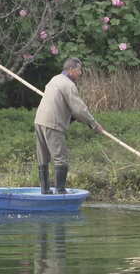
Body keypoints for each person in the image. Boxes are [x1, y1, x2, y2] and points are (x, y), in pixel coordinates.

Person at [34, 57, 104, 194]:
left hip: (39, 120)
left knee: (43, 156)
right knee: (60, 158)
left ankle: (45, 190)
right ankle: (60, 190)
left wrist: (73, 118)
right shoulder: (69, 85)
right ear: (71, 70)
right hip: (52, 123)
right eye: (79, 70)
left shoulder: (55, 79)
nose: (80, 73)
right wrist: (94, 125)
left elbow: (62, 105)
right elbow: (79, 110)